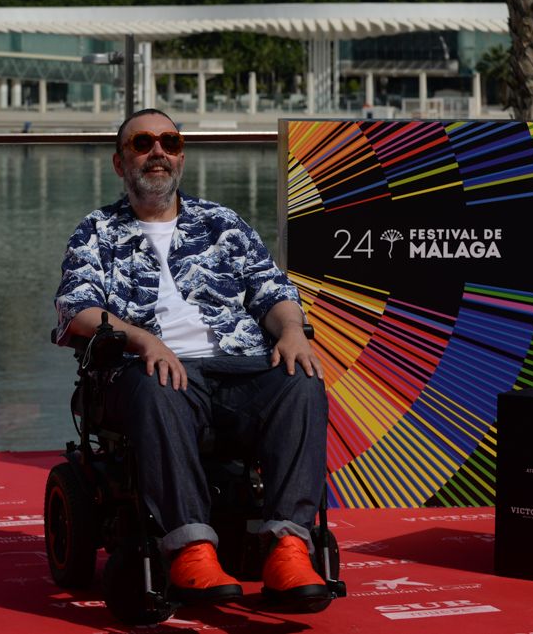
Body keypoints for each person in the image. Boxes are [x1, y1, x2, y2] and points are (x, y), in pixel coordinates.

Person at [53, 109, 332, 611]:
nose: (157, 152)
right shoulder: (97, 230)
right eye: (143, 143)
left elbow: (274, 292)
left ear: (181, 156)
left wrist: (291, 330)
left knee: (301, 381)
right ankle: (190, 548)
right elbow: (78, 311)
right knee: (158, 383)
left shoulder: (223, 223)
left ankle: (287, 546)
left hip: (236, 367)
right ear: (121, 163)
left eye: (170, 142)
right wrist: (144, 341)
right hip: (149, 372)